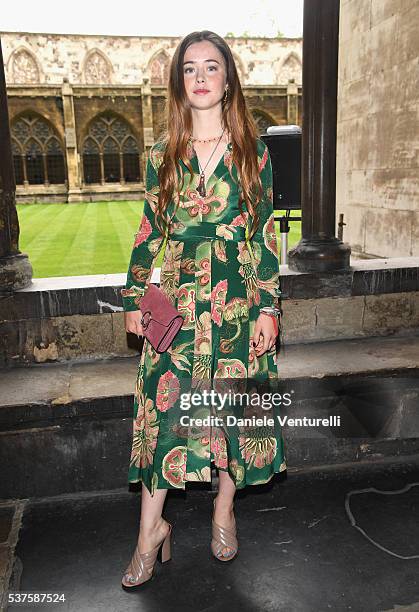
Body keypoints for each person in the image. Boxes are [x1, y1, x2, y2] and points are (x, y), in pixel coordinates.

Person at [120, 30, 287, 590]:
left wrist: (269, 307)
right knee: (164, 413)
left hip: (237, 298)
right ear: (178, 81)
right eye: (189, 68)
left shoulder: (252, 153)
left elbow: (263, 236)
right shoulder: (159, 153)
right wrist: (134, 299)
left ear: (227, 79)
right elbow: (148, 234)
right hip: (177, 301)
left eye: (210, 67)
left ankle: (223, 509)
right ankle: (150, 532)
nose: (199, 77)